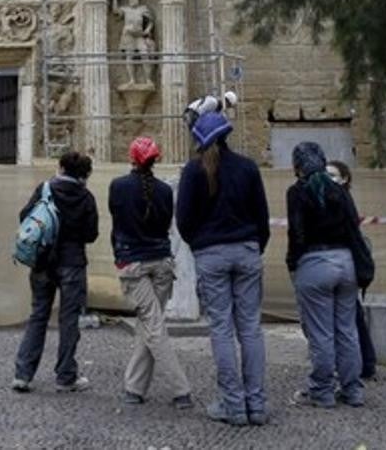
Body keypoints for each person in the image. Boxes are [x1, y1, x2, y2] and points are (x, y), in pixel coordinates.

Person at [175, 112, 270, 427]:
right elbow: (262, 217)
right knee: (251, 329)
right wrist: (255, 246)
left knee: (222, 329)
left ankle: (233, 404)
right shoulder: (247, 168)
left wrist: (199, 245)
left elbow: (184, 219)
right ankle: (256, 404)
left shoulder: (194, 170)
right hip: (246, 251)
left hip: (211, 253)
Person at [109, 137, 193, 410]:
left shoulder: (118, 187)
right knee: (150, 324)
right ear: (155, 160)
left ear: (131, 158)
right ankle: (134, 388)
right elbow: (167, 224)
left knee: (153, 327)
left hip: (133, 263)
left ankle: (181, 390)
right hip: (162, 263)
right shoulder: (165, 191)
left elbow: (117, 221)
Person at [13, 151, 99, 393]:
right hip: (72, 263)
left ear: (60, 167)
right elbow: (91, 234)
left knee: (38, 315)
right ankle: (65, 376)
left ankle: (23, 374)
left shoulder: (45, 189)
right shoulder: (86, 197)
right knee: (69, 320)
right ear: (85, 174)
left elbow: (24, 216)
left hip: (43, 261)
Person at [287, 143, 364, 409]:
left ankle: (322, 390)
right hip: (346, 262)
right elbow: (354, 226)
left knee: (321, 333)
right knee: (347, 330)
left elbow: (296, 233)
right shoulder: (340, 192)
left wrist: (292, 265)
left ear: (297, 167)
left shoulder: (297, 193)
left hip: (314, 263)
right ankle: (353, 389)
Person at [327, 159, 377, 380]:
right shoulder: (338, 199)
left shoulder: (340, 200)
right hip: (344, 266)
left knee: (351, 319)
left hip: (345, 265)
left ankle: (363, 364)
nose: (329, 179)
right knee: (350, 318)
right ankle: (360, 364)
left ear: (345, 178)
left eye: (333, 175)